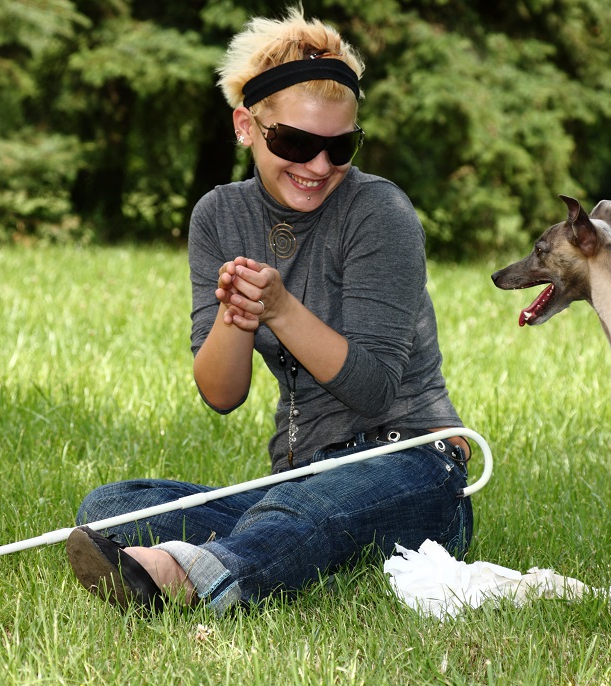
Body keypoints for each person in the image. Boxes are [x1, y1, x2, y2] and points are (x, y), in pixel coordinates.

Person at [65, 6, 473, 614]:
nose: (317, 167)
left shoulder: (380, 213)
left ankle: (198, 574)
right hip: (296, 476)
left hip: (409, 464)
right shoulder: (218, 216)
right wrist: (236, 316)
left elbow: (373, 387)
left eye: (340, 148)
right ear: (246, 126)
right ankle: (267, 547)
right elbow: (221, 395)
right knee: (113, 507)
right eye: (295, 142)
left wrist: (281, 309)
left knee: (307, 509)